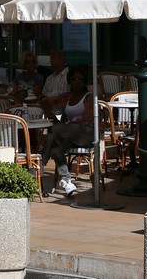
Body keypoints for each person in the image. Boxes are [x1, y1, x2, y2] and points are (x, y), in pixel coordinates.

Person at [40, 67, 95, 198]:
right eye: (74, 79)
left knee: (54, 129)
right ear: (69, 82)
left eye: (80, 79)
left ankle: (41, 163)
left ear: (85, 81)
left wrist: (67, 125)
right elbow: (44, 101)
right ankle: (67, 181)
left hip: (87, 134)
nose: (77, 81)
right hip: (70, 135)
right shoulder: (67, 97)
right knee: (55, 146)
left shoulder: (89, 97)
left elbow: (90, 118)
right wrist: (51, 117)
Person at [39, 49, 69, 118]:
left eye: (53, 59)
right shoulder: (49, 78)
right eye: (50, 59)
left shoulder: (69, 76)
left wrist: (55, 99)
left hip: (63, 111)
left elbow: (69, 95)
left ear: (61, 60)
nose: (51, 61)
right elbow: (44, 95)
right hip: (48, 111)